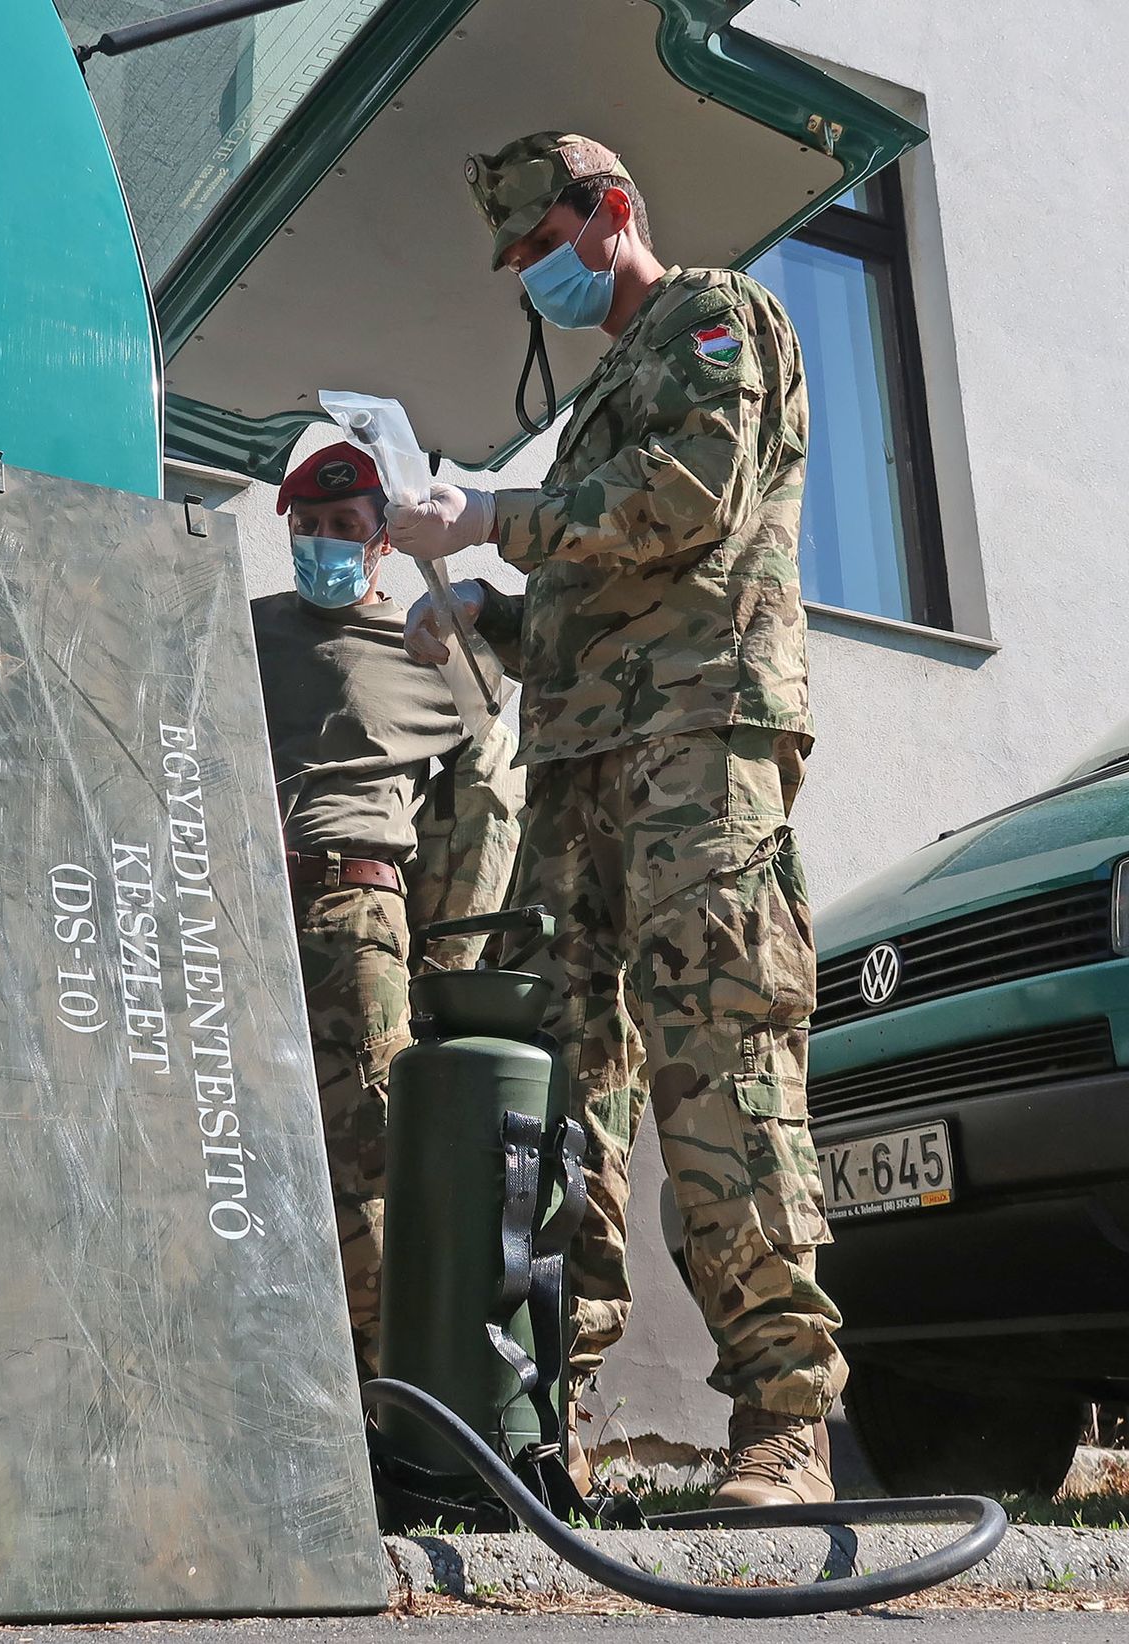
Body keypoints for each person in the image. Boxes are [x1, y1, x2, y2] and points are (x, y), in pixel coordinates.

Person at [388, 132, 841, 1506]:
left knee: (722, 1066)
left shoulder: (714, 319)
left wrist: (486, 522)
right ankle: (542, 1423)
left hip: (701, 754)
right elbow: (603, 601)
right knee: (567, 1092)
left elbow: (684, 503)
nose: (528, 276)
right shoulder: (595, 405)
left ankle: (785, 1418)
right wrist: (496, 620)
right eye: (514, 259)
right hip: (583, 771)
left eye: (539, 246)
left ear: (610, 215)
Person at [252, 440, 523, 1383]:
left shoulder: (435, 656)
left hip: (354, 915)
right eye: (310, 527)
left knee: (367, 1166)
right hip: (234, 910)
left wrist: (451, 964)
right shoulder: (237, 630)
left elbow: (490, 795)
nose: (323, 542)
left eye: (344, 529)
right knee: (238, 1150)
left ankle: (382, 1397)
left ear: (379, 544)